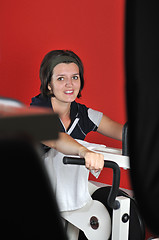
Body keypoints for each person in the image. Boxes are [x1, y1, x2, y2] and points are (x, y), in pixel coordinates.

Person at [30, 49, 123, 239]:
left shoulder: (84, 114)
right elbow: (58, 139)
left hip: (62, 189)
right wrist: (84, 151)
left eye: (75, 77)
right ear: (49, 85)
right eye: (61, 79)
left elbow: (120, 131)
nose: (69, 84)